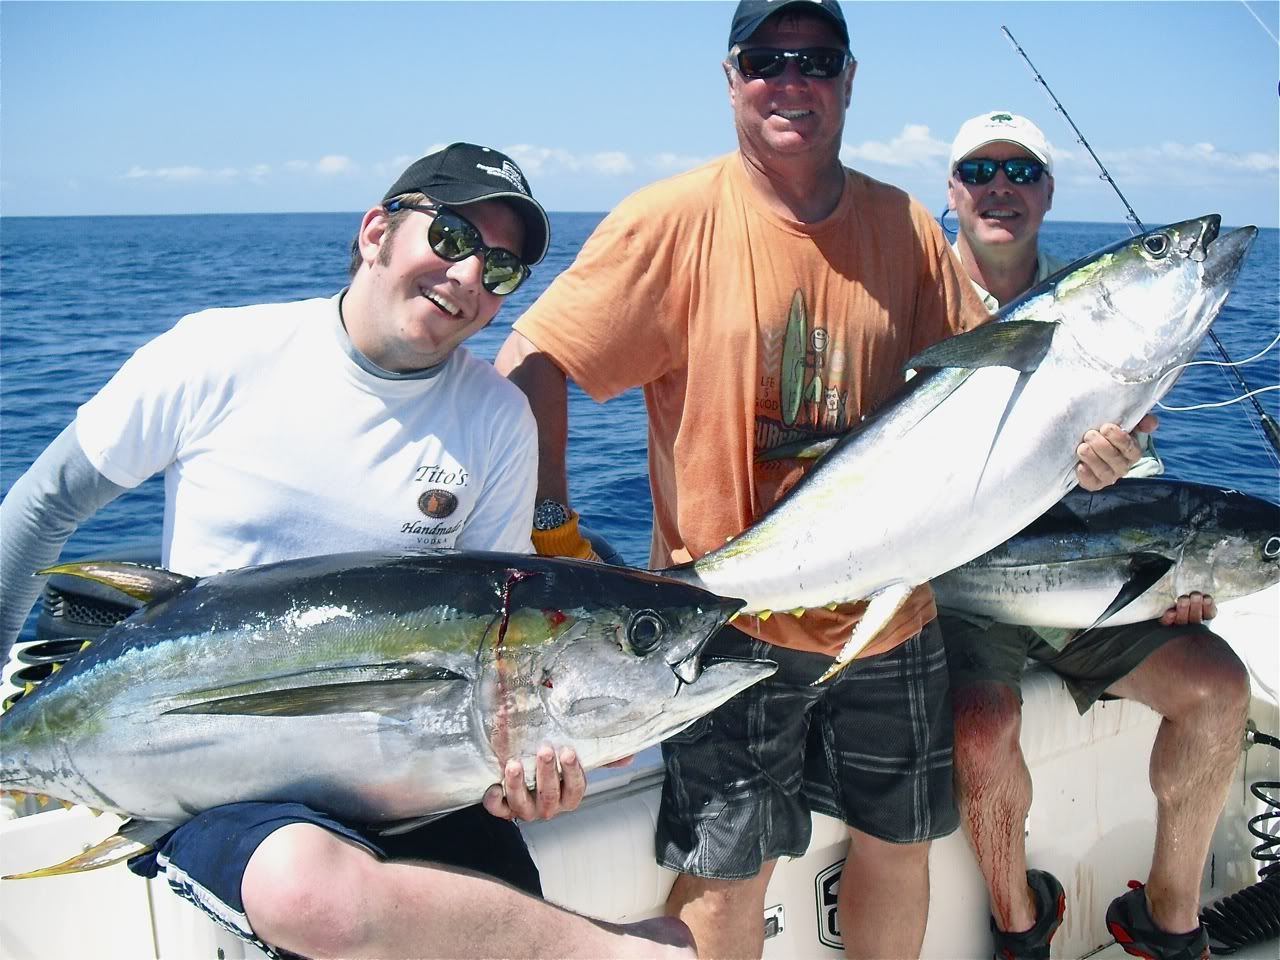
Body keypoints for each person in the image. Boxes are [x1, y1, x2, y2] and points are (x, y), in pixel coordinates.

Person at [496, 3, 1150, 955]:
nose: (791, 80)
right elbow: (532, 361)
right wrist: (552, 523)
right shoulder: (671, 221)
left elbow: (1001, 394)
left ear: (849, 79)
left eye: (816, 59)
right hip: (728, 626)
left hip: (892, 616)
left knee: (899, 849)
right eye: (767, 59)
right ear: (731, 79)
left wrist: (1096, 439)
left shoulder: (903, 227)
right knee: (726, 873)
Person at [0, 142, 694, 960]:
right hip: (220, 780)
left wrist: (524, 774)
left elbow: (505, 636)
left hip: (424, 787)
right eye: (453, 238)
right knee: (308, 890)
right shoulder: (216, 355)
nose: (470, 276)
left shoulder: (498, 420)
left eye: (501, 269)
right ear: (375, 233)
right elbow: (44, 504)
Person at [941, 110, 1250, 960]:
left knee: (1218, 688)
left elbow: (1139, 461)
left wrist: (1173, 568)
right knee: (978, 727)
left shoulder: (1109, 307)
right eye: (979, 169)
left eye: (1021, 171)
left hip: (1086, 570)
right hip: (962, 579)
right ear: (952, 188)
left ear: (1047, 192)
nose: (1000, 186)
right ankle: (1020, 922)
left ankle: (1168, 917)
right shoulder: (914, 294)